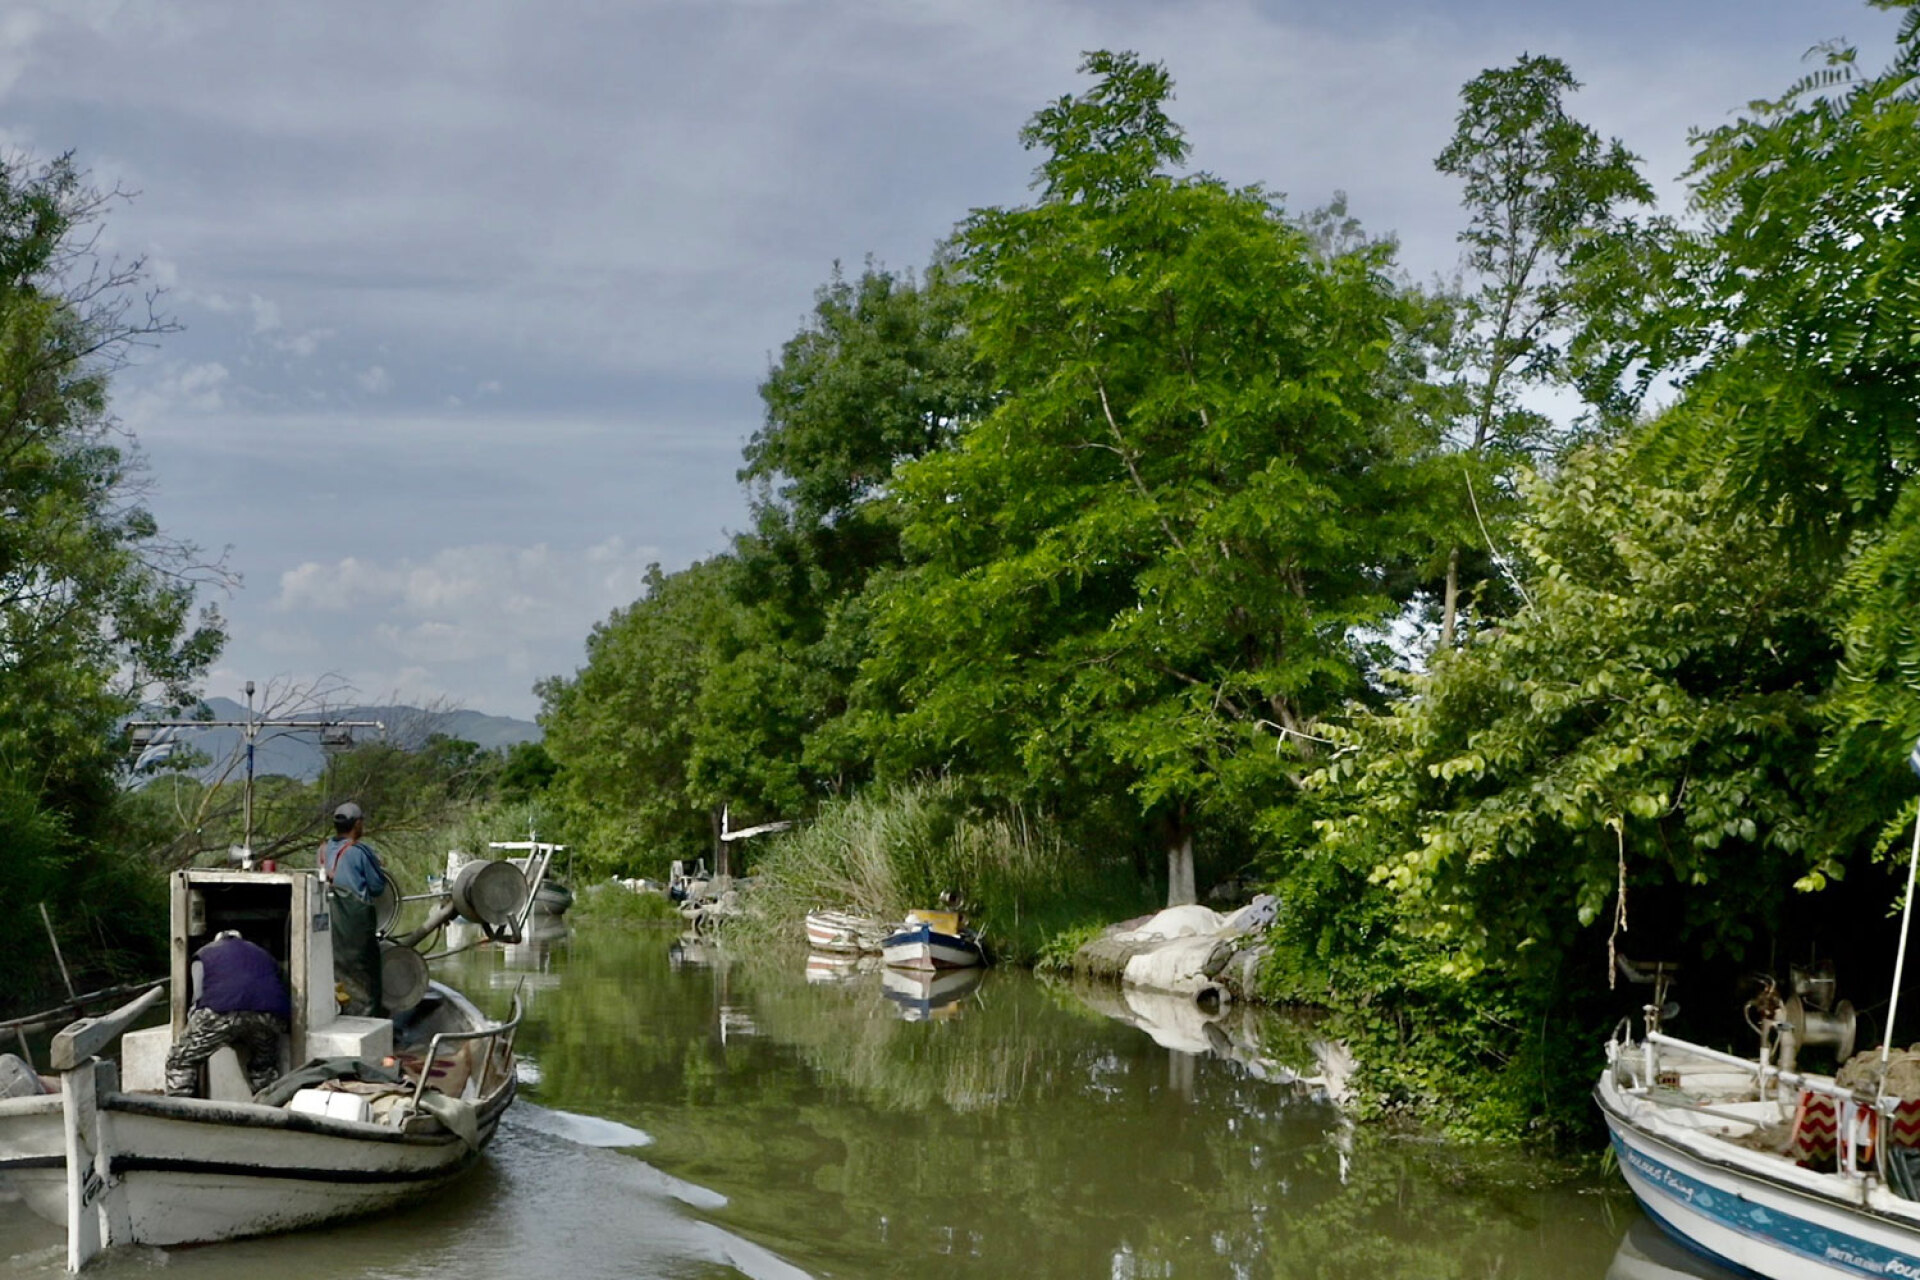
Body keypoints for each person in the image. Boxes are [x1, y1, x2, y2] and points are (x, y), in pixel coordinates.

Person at [165, 930, 290, 1097]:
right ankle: (269, 1103)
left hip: (220, 1011)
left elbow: (198, 997)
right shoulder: (264, 954)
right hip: (268, 1015)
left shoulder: (203, 955)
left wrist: (196, 1030)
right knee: (264, 1064)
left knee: (179, 1060)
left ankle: (179, 1106)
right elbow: (280, 985)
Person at [318, 801, 387, 1016]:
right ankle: (368, 1019)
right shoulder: (360, 851)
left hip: (327, 924)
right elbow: (377, 887)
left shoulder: (322, 850)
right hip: (355, 925)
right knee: (366, 972)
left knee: (336, 970)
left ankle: (340, 1014)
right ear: (357, 824)